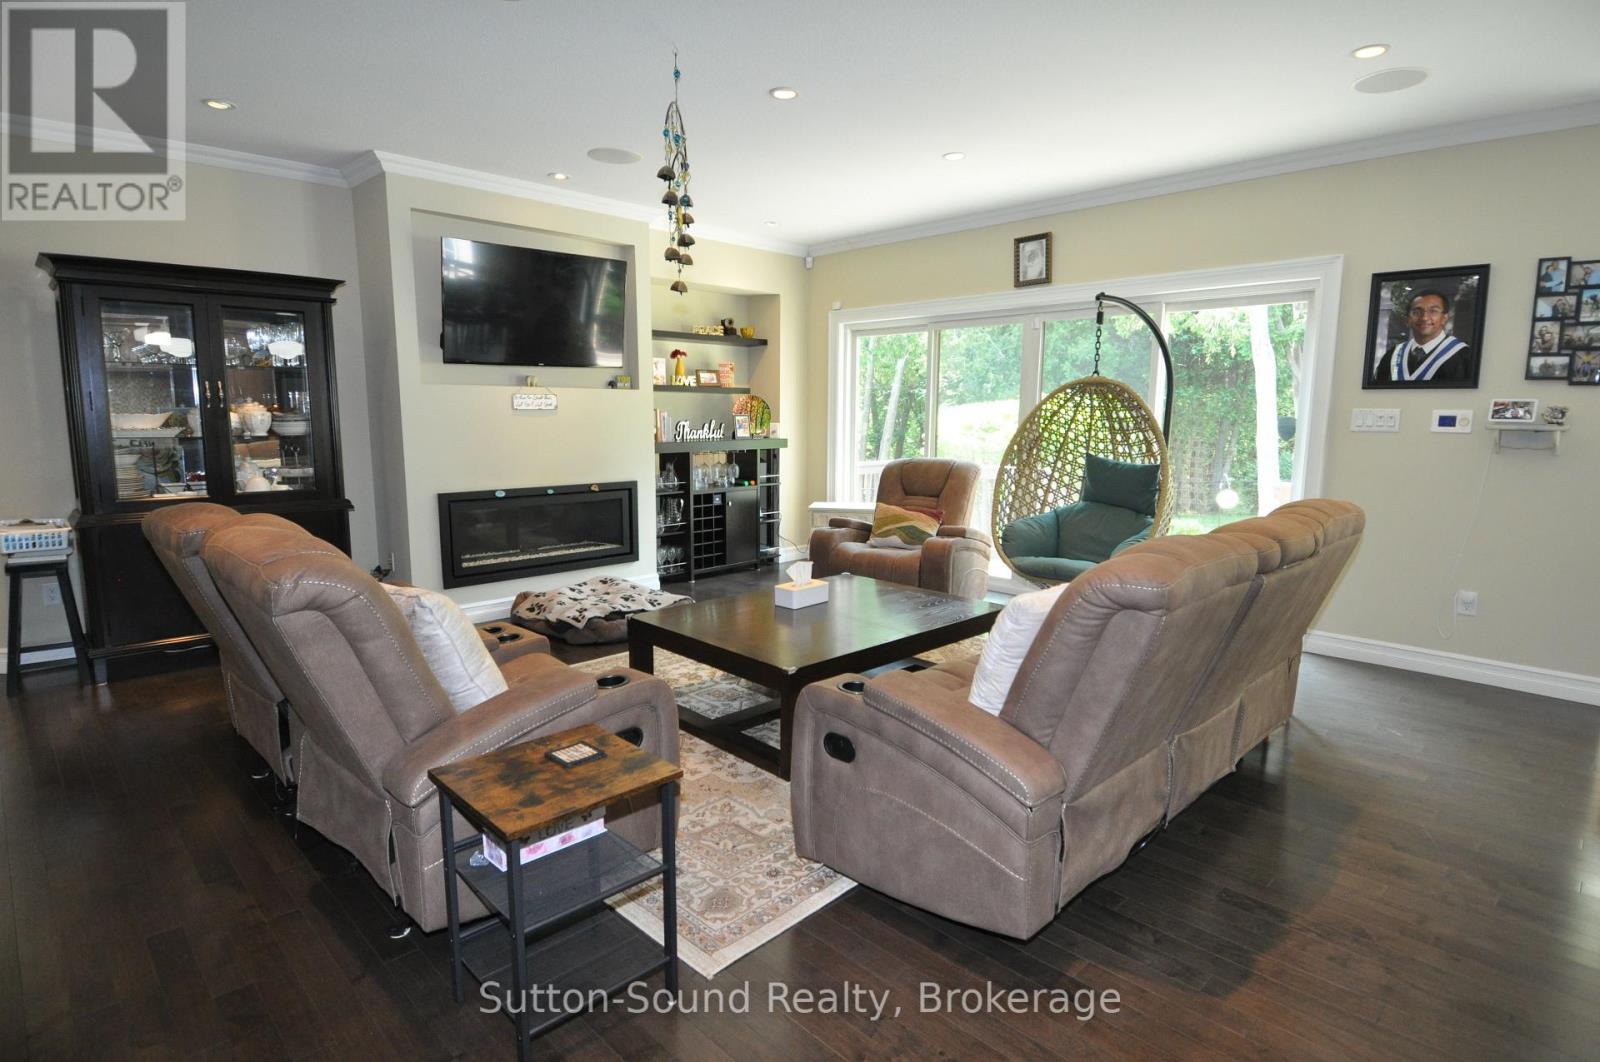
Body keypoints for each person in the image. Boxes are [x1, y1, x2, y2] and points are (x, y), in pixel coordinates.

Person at [1372, 289, 1473, 383]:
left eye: (1433, 311)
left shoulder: (1464, 356)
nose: (1424, 318)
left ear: (1444, 318)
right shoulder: (1392, 356)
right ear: (1408, 319)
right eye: (1416, 312)